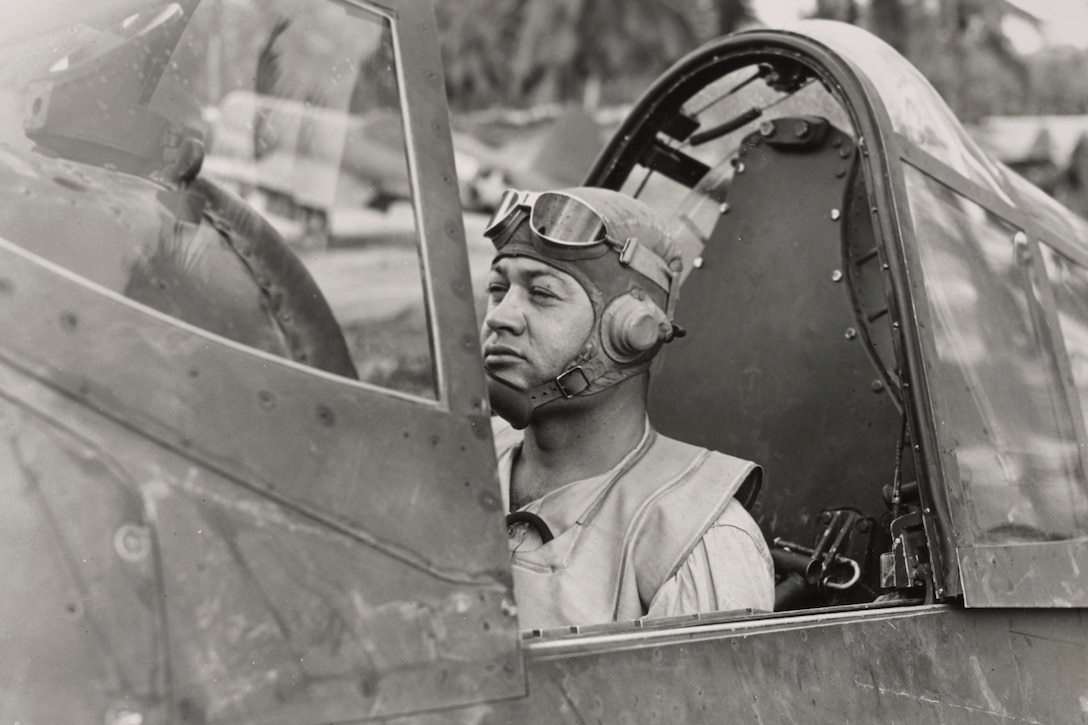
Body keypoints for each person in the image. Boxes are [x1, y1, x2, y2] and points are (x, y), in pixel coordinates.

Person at [480, 186, 774, 630]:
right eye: (498, 288)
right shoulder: (459, 458)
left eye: (542, 294)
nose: (500, 316)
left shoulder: (697, 541)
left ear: (630, 331)